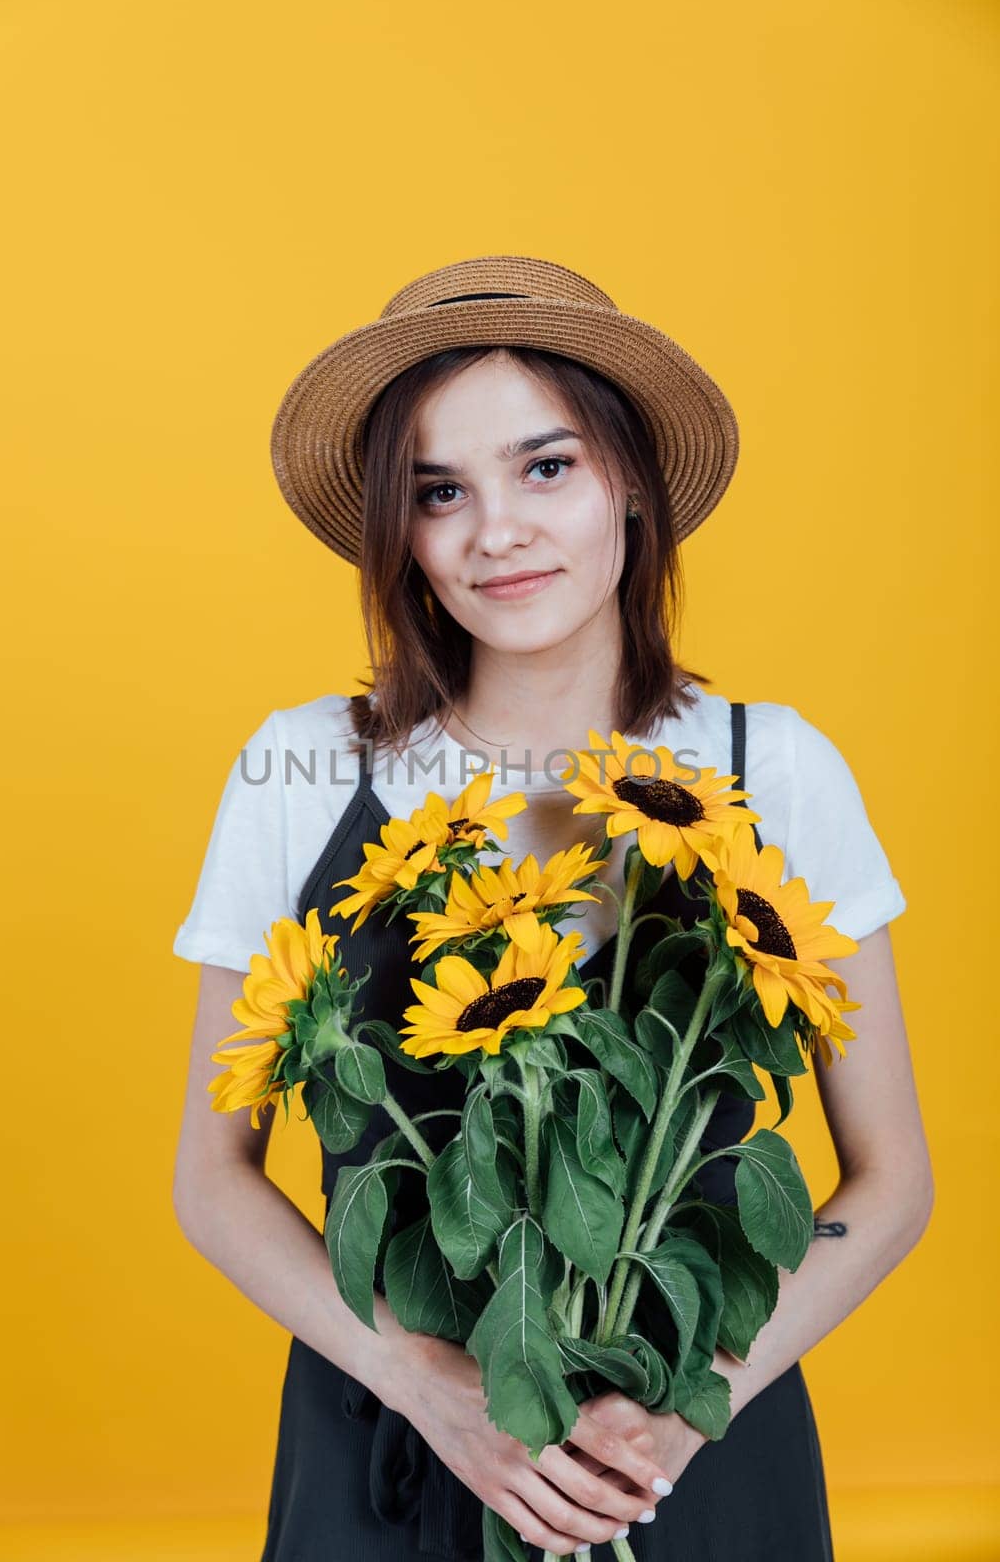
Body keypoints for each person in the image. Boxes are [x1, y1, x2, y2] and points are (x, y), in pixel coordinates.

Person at [171, 254, 933, 1561]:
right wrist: (433, 1390)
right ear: (396, 533)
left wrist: (687, 1415)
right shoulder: (306, 769)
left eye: (546, 468)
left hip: (693, 1466)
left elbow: (893, 1176)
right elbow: (213, 1179)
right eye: (438, 493)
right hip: (390, 1467)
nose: (497, 533)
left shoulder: (768, 765)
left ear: (628, 481)